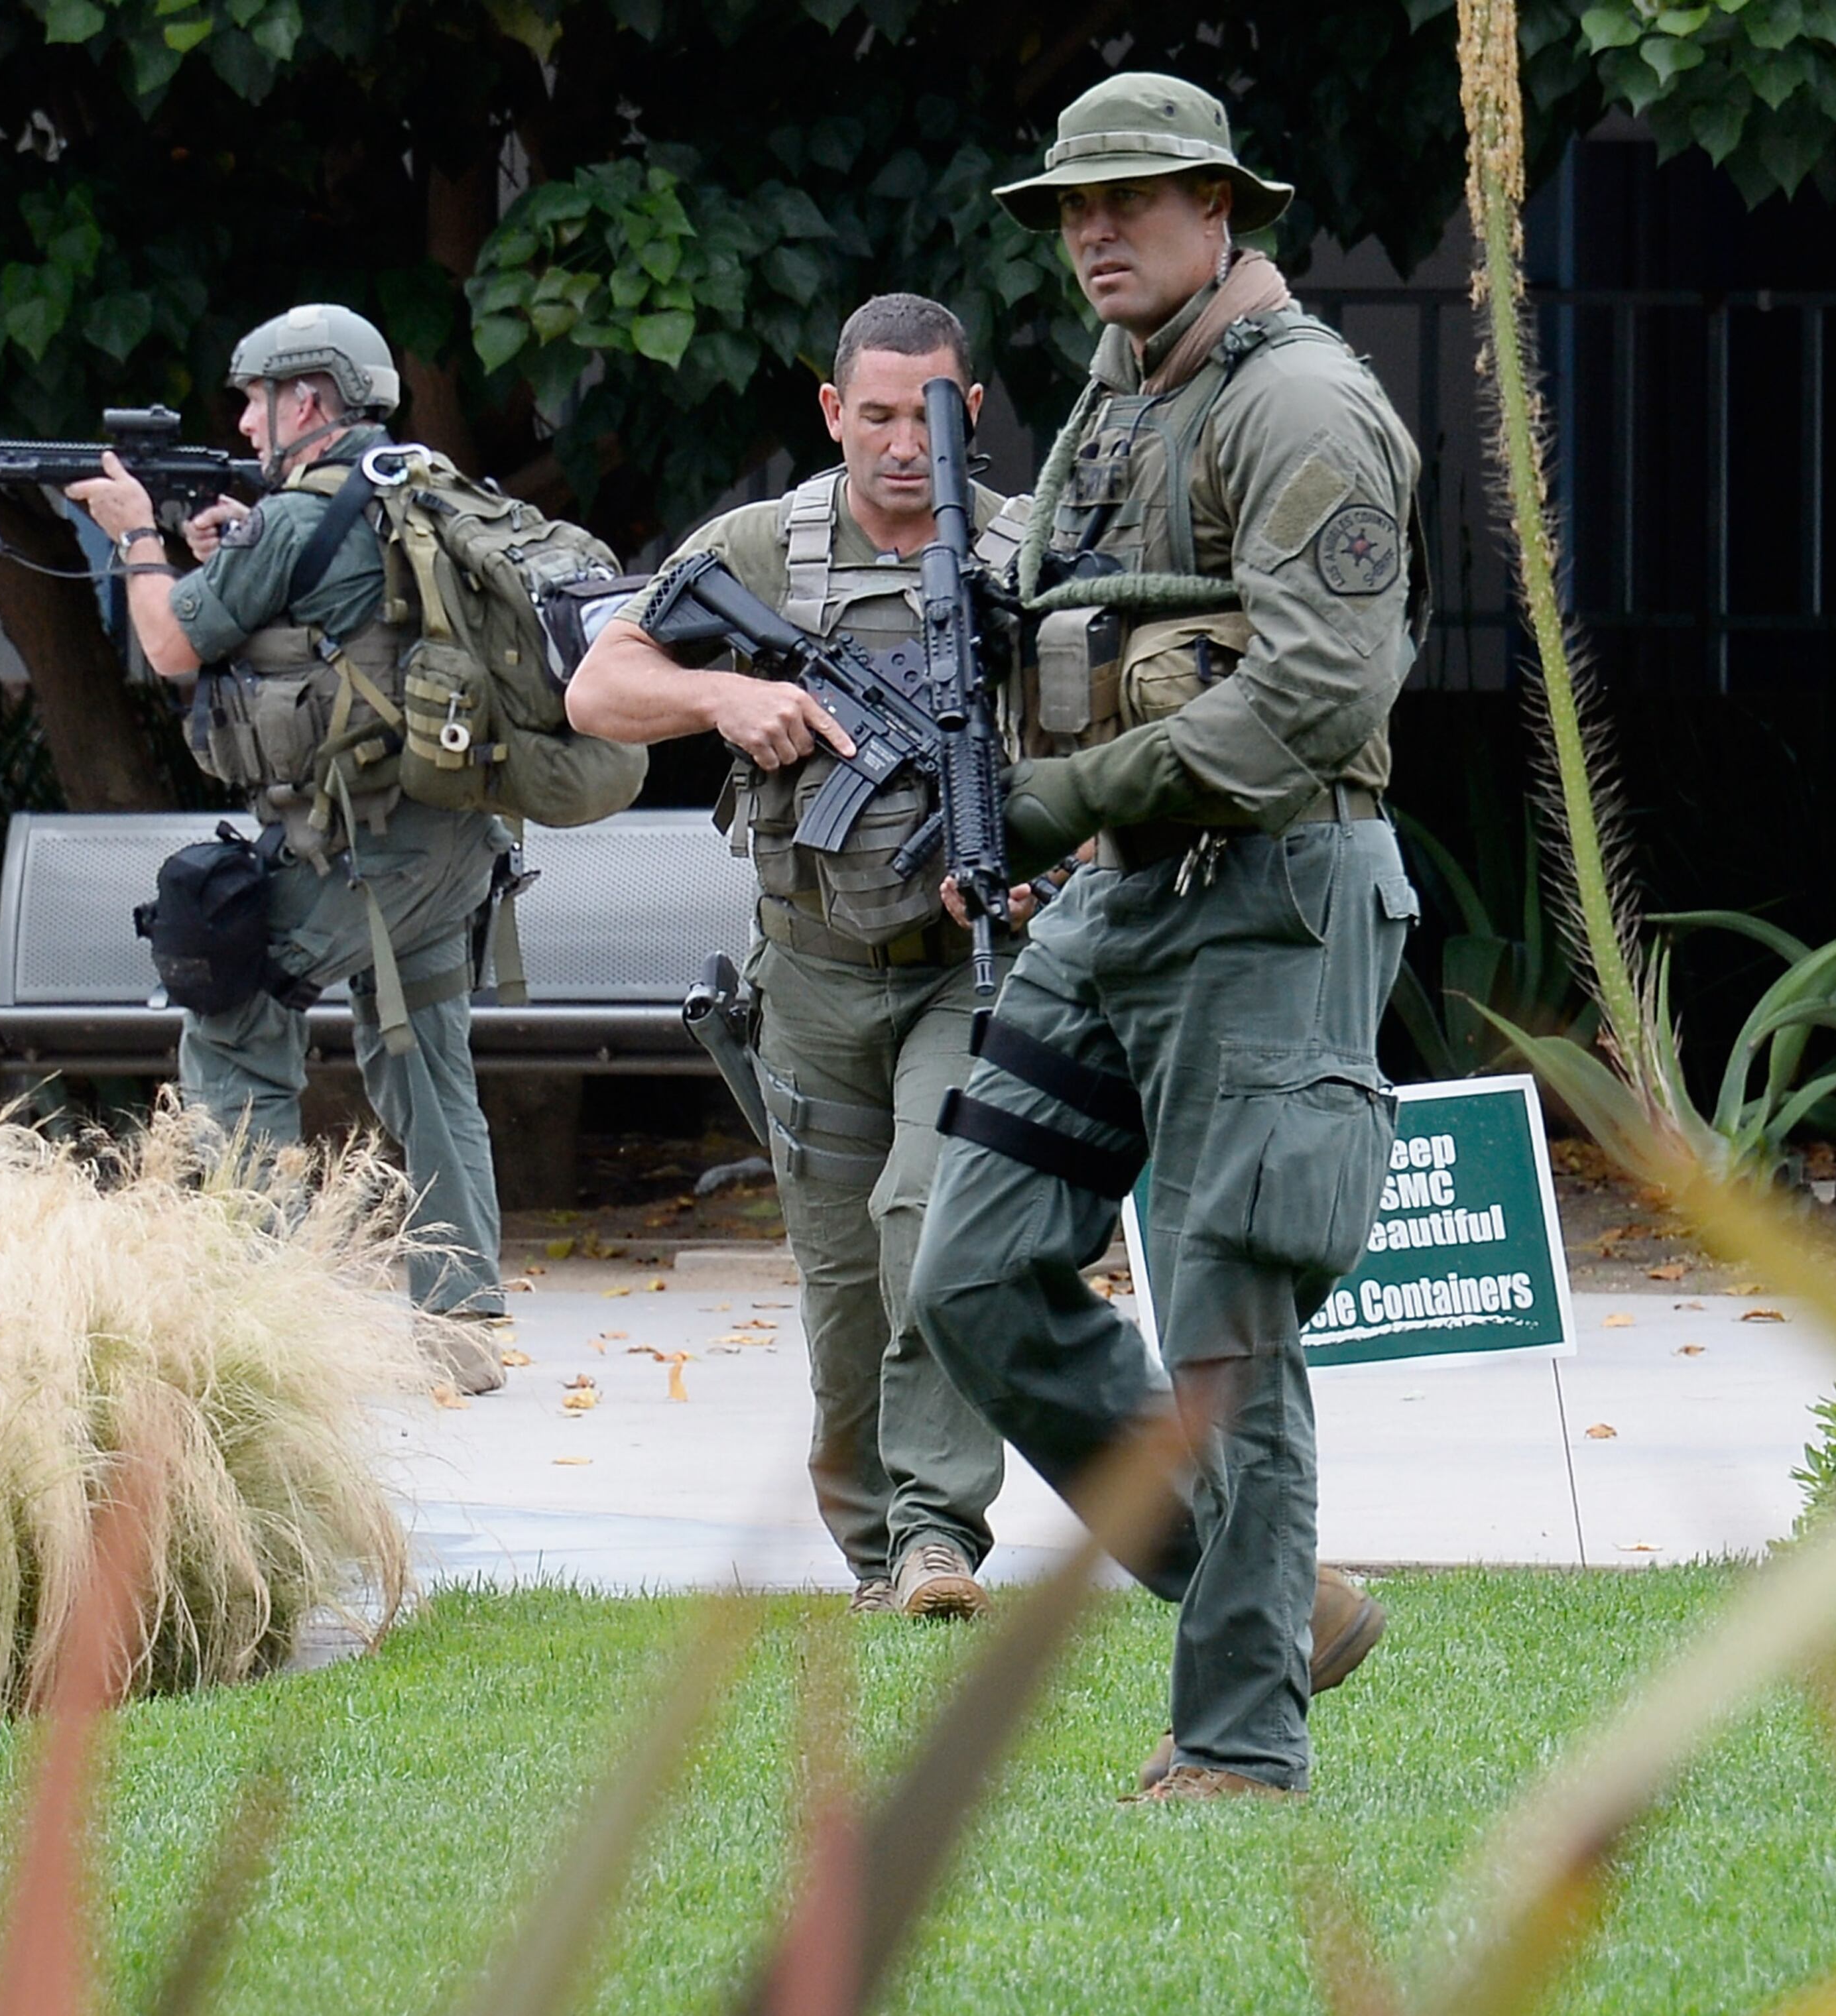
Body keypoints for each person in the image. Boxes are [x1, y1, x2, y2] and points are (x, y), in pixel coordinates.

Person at [908, 73, 1424, 1797]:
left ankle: (1238, 1745)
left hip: (1273, 899)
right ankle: (1273, 1602)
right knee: (974, 1273)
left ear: (1225, 209)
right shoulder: (1115, 404)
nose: (1095, 234)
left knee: (1228, 1329)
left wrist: (1065, 800)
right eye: (1073, 208)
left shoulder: (1308, 411)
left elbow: (1323, 683)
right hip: (1124, 893)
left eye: (1132, 200)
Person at [566, 294, 1017, 1617]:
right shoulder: (765, 548)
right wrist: (724, 694)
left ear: (969, 413)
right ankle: (880, 1556)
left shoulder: (1021, 550)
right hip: (811, 975)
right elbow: (597, 687)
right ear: (833, 414)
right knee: (838, 1288)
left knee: (927, 1228)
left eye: (924, 414)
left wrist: (1041, 858)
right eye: (870, 415)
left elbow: (1097, 745)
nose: (897, 444)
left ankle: (940, 1532)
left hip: (964, 968)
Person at [68, 304, 507, 1386]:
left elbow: (171, 643)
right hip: (453, 837)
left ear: (306, 400)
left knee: (233, 1014)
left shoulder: (299, 516)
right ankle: (464, 1327)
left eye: (254, 396)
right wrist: (214, 551)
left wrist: (136, 533)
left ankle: (264, 1322)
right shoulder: (414, 487)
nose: (241, 417)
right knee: (428, 1064)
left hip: (360, 846)